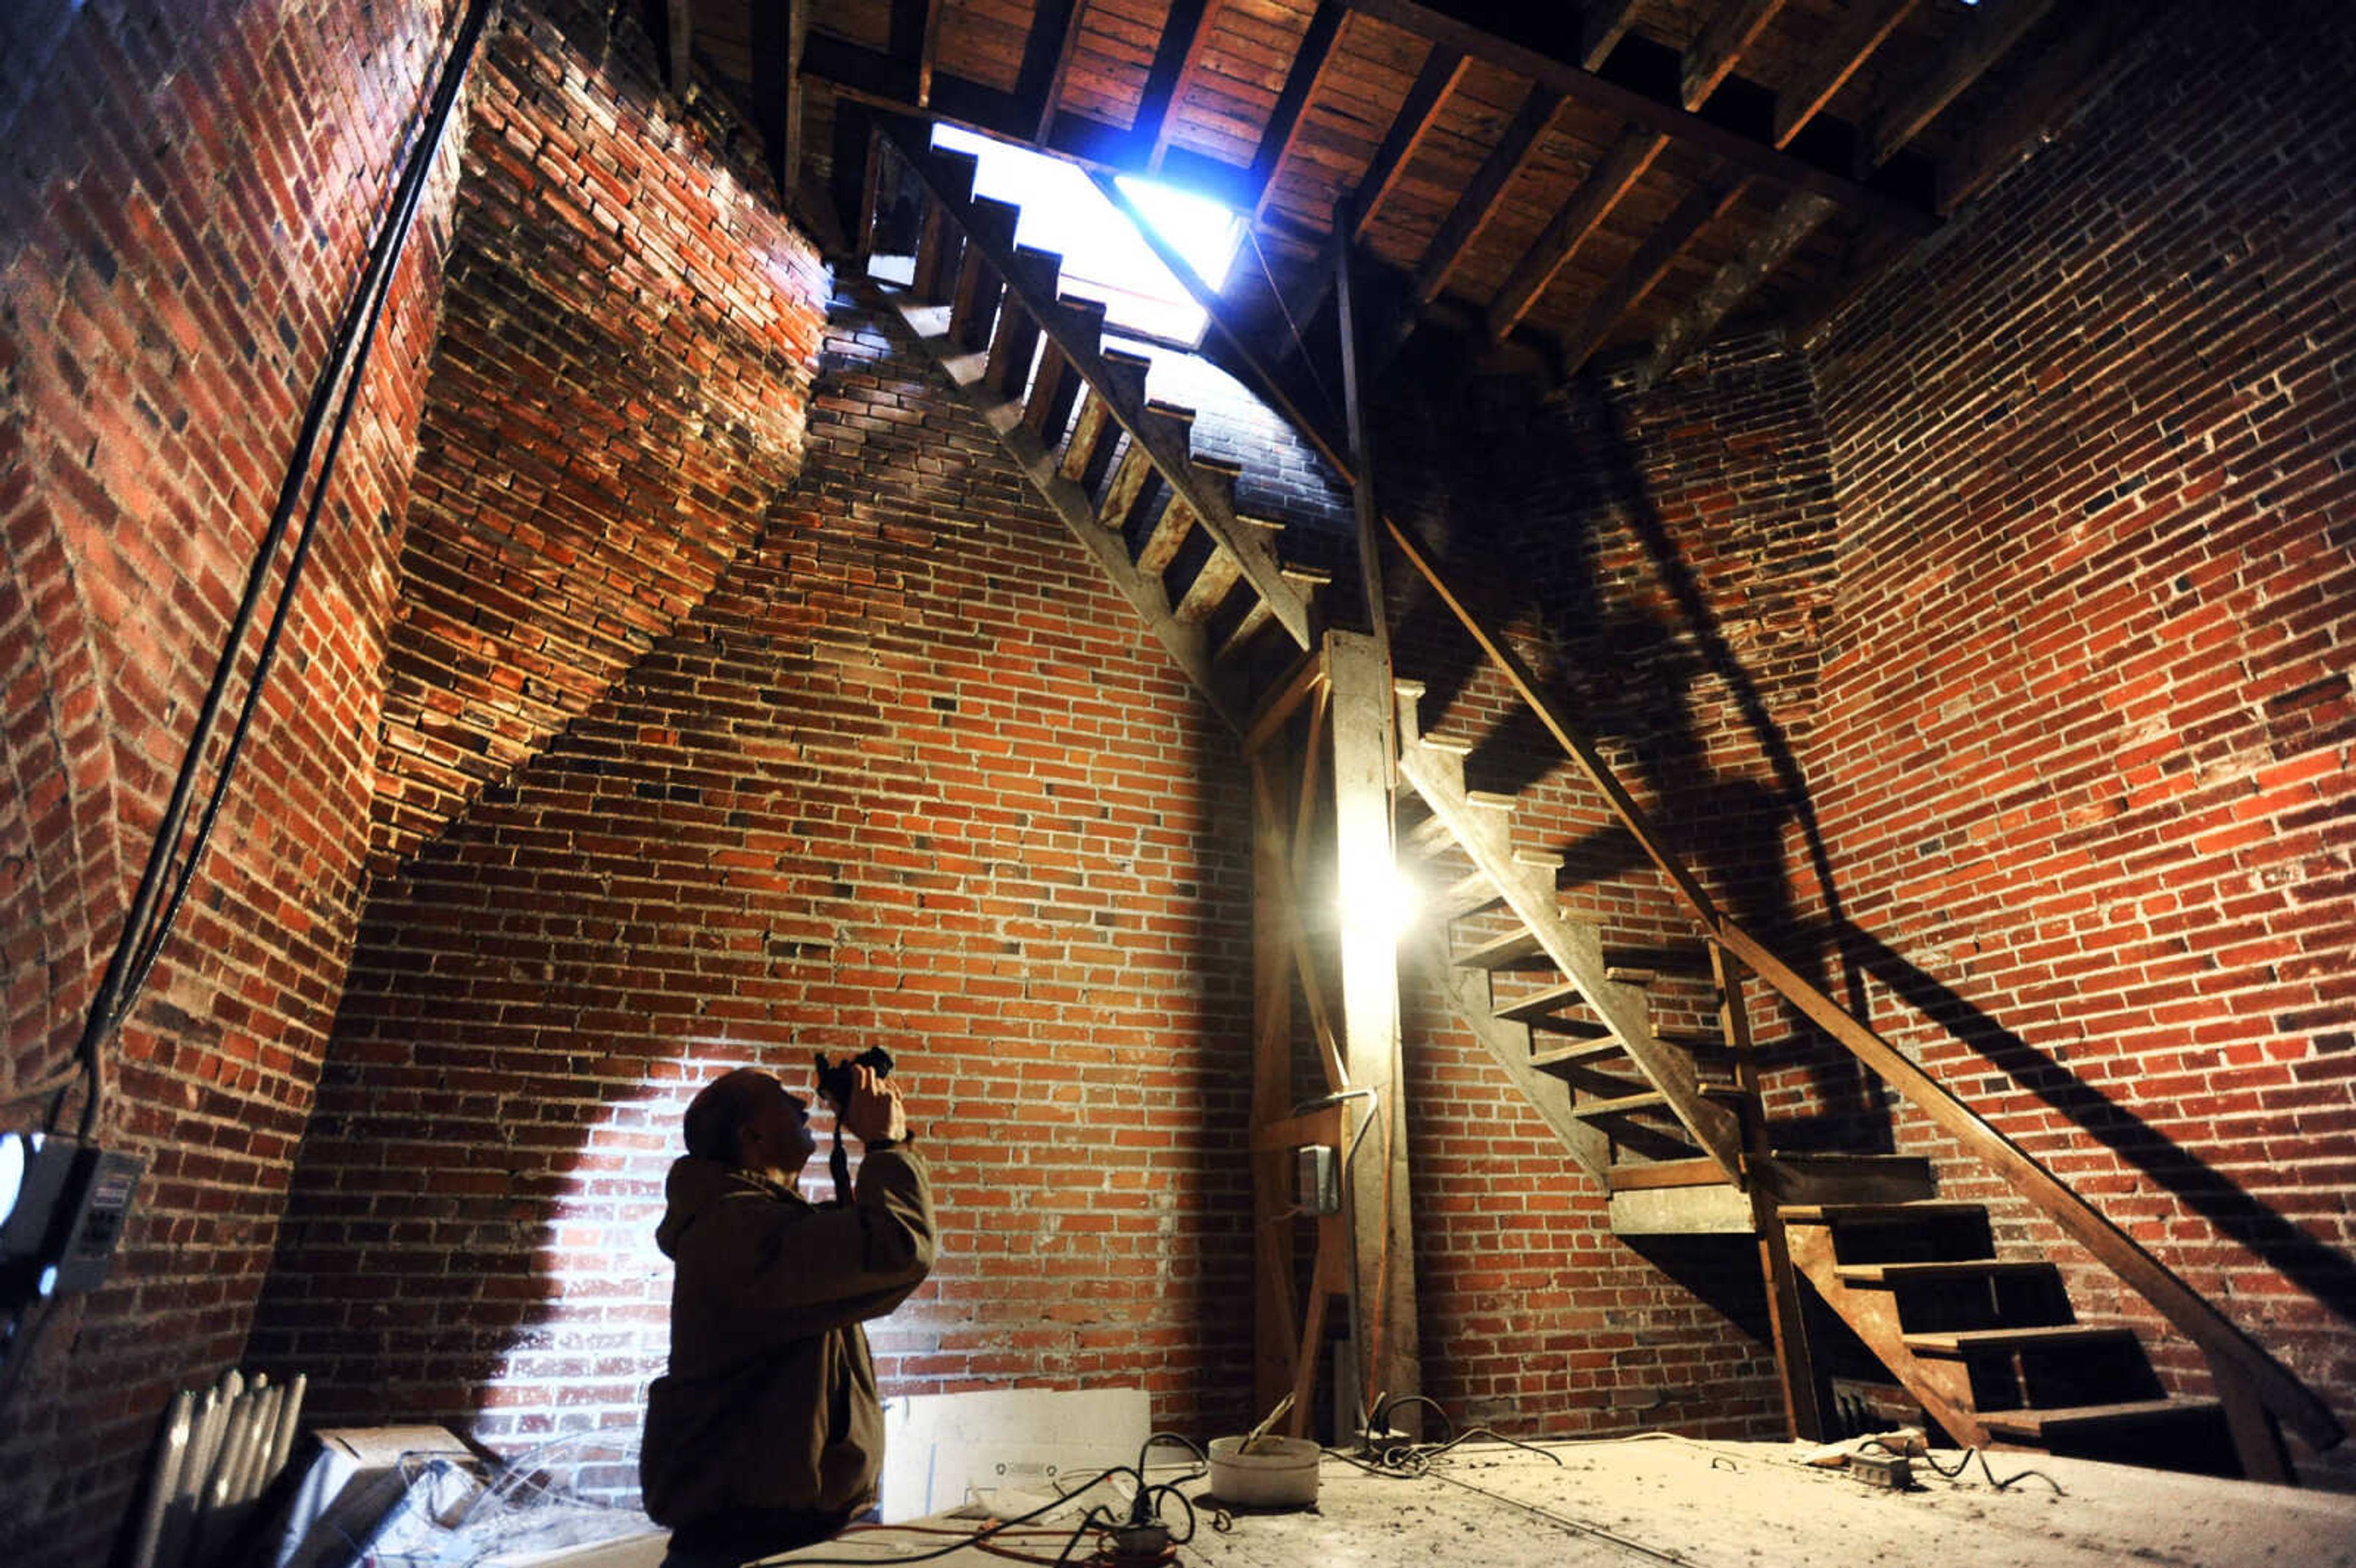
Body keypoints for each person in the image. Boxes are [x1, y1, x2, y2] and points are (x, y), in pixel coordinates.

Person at [641, 1063, 934, 1564]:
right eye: (781, 1098)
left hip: (776, 1527)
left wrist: (887, 1143)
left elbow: (859, 1244)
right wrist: (885, 1147)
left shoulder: (764, 1223)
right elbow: (896, 1250)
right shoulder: (733, 1229)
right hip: (742, 1537)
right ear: (751, 1134)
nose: (802, 1106)